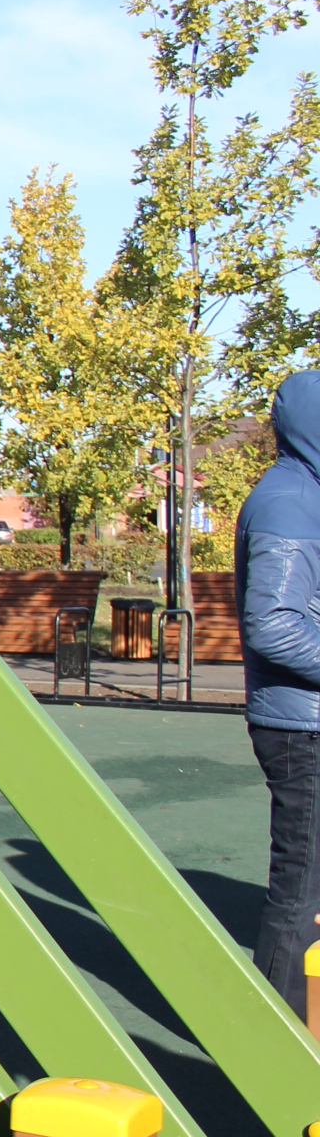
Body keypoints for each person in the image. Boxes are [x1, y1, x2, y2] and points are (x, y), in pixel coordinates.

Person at [240, 369, 320, 1013]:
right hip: (304, 729)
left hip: (307, 719)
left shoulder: (306, 492)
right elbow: (272, 625)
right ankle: (277, 1040)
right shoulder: (290, 500)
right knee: (301, 891)